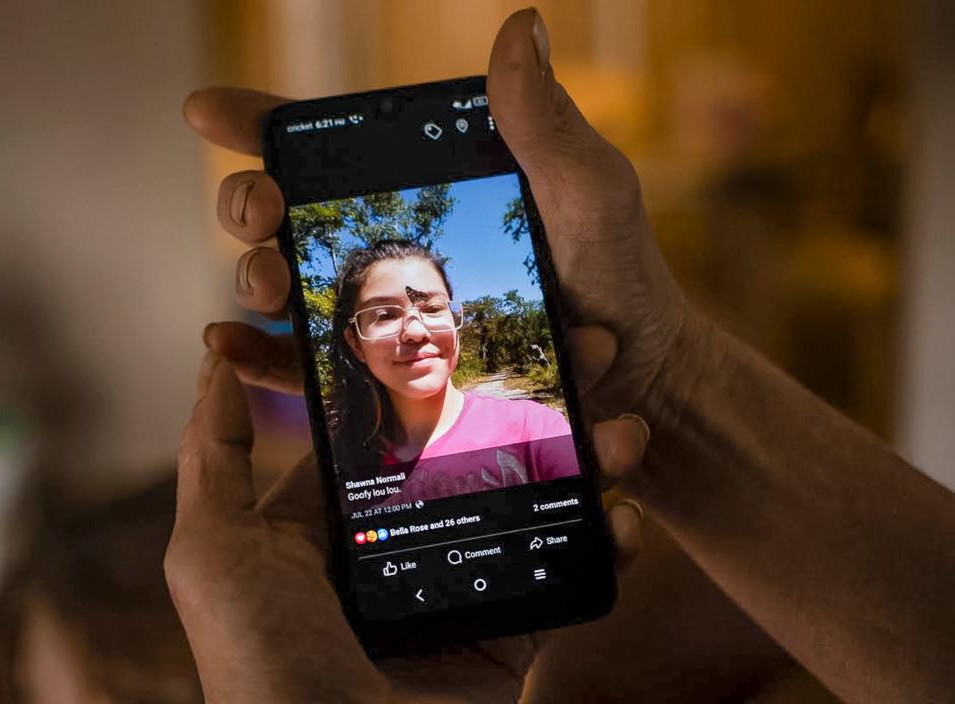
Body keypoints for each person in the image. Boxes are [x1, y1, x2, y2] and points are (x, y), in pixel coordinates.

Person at [167, 8, 955, 704]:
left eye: (428, 304)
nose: (411, 328)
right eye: (381, 313)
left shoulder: (531, 427)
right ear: (348, 341)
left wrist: (667, 381)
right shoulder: (353, 469)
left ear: (459, 319)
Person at [323, 239, 579, 510]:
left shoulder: (535, 430)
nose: (415, 332)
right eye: (385, 315)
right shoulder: (337, 463)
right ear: (355, 342)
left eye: (432, 308)